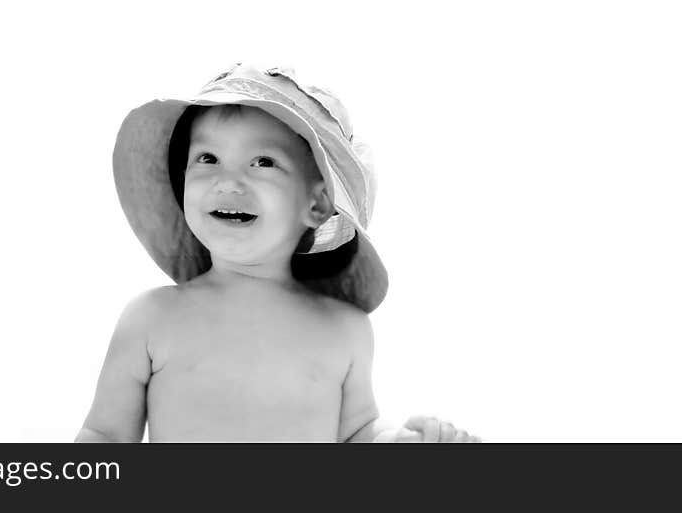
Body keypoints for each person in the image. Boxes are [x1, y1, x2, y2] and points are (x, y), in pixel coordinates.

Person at [76, 63, 480, 442]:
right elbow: (105, 435)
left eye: (262, 162)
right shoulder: (151, 318)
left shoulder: (345, 329)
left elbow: (358, 433)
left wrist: (402, 440)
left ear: (318, 204)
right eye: (207, 158)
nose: (227, 181)